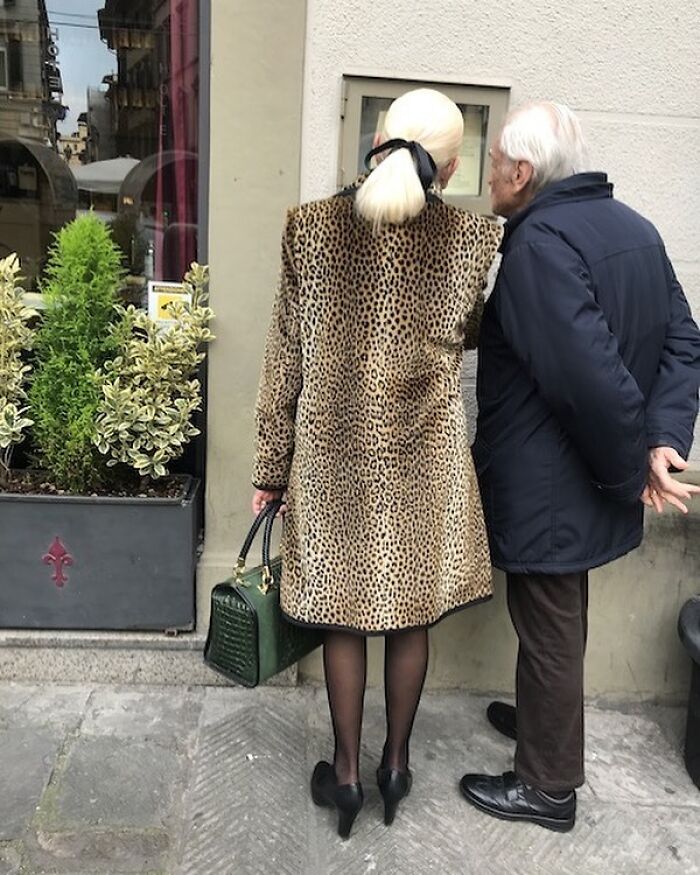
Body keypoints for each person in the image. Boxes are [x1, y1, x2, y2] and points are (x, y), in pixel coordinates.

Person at [252, 88, 501, 839]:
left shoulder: (310, 229)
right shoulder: (471, 241)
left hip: (331, 458)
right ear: (450, 168)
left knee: (343, 613)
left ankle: (347, 776)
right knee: (409, 611)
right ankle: (396, 764)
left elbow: (284, 362)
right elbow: (468, 334)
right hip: (424, 459)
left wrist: (270, 469)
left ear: (376, 140)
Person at [459, 101, 700, 832]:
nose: (489, 176)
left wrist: (635, 464)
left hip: (555, 482)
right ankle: (546, 722)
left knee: (551, 624)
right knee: (558, 616)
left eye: (494, 163)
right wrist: (662, 438)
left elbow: (588, 380)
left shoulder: (539, 245)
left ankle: (547, 785)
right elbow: (684, 340)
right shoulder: (634, 227)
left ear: (522, 172)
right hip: (587, 474)